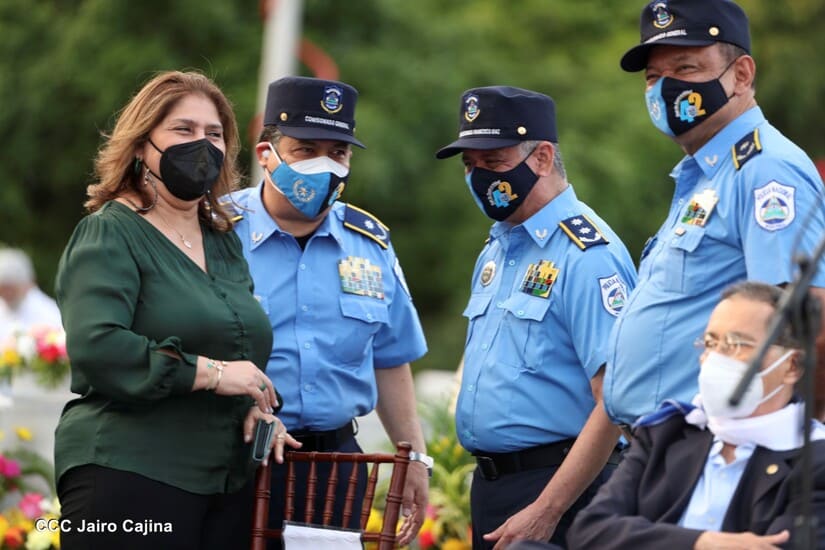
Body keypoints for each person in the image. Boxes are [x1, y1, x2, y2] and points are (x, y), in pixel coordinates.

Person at [54, 70, 298, 550]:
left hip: (224, 484)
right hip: (129, 473)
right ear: (141, 146)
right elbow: (97, 347)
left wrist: (254, 407)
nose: (202, 145)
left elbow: (235, 345)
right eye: (183, 130)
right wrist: (213, 374)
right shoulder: (110, 232)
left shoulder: (223, 240)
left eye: (214, 134)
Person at [227, 75, 430, 548]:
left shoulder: (370, 243)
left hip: (335, 468)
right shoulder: (216, 231)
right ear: (266, 155)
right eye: (305, 150)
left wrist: (416, 460)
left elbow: (390, 358)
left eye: (338, 153)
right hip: (233, 457)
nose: (325, 166)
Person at [603, 0, 825, 430]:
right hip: (662, 444)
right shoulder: (707, 175)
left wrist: (770, 448)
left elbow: (806, 323)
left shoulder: (764, 169)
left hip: (715, 441)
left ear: (741, 75)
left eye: (685, 69)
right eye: (653, 77)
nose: (665, 89)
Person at [435, 86, 637, 549]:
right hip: (495, 487)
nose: (479, 177)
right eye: (470, 164)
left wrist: (548, 509)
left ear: (542, 157)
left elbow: (614, 401)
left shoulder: (587, 254)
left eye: (494, 161)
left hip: (561, 492)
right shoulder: (499, 247)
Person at [561, 281, 825, 549]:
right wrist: (699, 542)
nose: (715, 358)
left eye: (735, 344)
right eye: (710, 343)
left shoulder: (814, 461)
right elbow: (589, 531)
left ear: (792, 365)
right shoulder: (667, 432)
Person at [0, 247, 62, 337]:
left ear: (28, 285)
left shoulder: (48, 311)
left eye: (11, 289)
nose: (7, 294)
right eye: (3, 289)